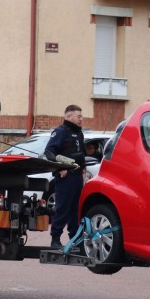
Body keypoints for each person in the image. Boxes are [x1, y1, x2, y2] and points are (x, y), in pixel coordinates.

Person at [43, 104, 86, 249]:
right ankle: (55, 239)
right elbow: (49, 153)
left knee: (76, 210)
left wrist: (84, 168)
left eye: (81, 116)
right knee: (63, 209)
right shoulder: (61, 132)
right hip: (65, 178)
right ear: (69, 116)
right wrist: (60, 167)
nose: (81, 119)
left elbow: (82, 154)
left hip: (77, 177)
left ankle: (75, 240)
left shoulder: (79, 133)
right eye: (78, 116)